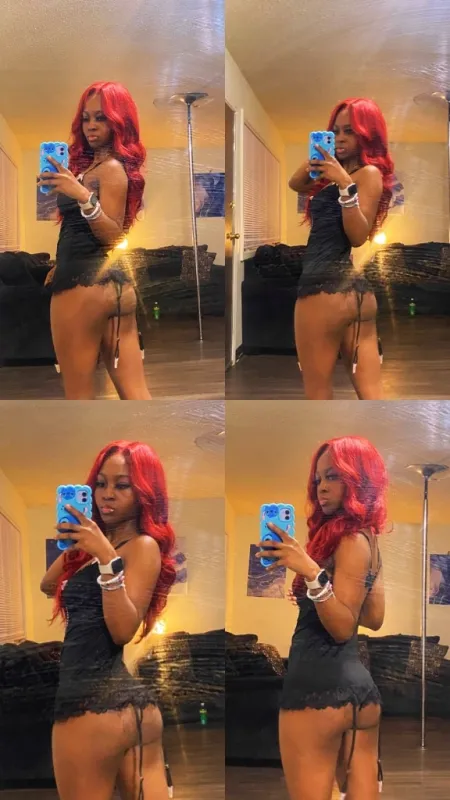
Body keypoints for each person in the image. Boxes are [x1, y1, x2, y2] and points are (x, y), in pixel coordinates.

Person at [40, 441, 176, 800]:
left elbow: (122, 631)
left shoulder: (142, 546)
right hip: (130, 709)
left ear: (145, 494)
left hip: (89, 706)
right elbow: (47, 585)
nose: (107, 494)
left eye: (122, 485)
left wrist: (104, 556)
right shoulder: (98, 550)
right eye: (100, 484)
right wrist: (75, 545)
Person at [257, 436, 387, 800]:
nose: (321, 487)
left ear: (359, 479)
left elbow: (343, 627)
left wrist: (312, 573)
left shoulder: (348, 540)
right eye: (318, 479)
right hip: (362, 695)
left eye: (333, 476)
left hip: (315, 689)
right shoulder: (368, 541)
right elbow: (374, 617)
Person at [38, 81, 150, 400]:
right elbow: (79, 232)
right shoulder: (96, 168)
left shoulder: (110, 168)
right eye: (86, 118)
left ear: (119, 122)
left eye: (101, 118)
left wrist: (83, 196)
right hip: (116, 290)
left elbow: (114, 236)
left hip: (82, 289)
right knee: (136, 393)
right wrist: (60, 264)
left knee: (79, 397)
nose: (90, 126)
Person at [289, 98, 394, 400]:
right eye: (335, 131)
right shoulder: (334, 176)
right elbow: (295, 184)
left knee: (318, 394)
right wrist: (318, 155)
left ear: (367, 136)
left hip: (322, 290)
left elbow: (358, 236)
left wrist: (347, 187)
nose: (341, 138)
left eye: (350, 131)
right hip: (356, 296)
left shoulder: (367, 174)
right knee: (372, 393)